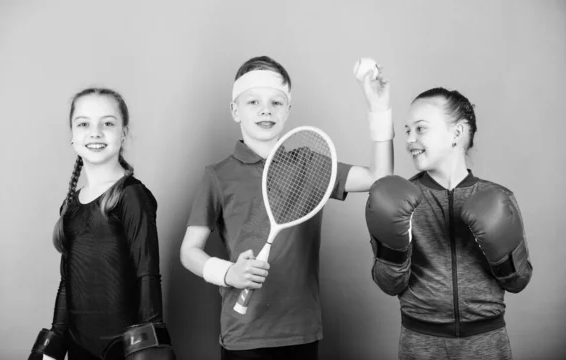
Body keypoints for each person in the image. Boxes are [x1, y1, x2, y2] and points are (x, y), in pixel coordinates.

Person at [180, 56, 394, 359]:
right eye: (253, 101)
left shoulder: (309, 163)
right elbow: (189, 252)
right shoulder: (218, 175)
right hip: (243, 334)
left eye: (276, 103)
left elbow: (380, 179)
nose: (265, 110)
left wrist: (380, 109)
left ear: (288, 111)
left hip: (300, 330)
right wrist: (229, 273)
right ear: (235, 110)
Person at [366, 87, 533, 359]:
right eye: (407, 130)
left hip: (487, 342)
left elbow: (518, 282)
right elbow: (389, 284)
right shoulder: (396, 198)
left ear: (456, 133)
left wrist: (502, 253)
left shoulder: (499, 198)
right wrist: (392, 250)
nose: (409, 139)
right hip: (420, 343)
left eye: (420, 129)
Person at [28, 88, 174, 360]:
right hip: (79, 346)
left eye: (107, 123)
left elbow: (148, 275)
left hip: (123, 349)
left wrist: (149, 347)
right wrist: (56, 338)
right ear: (72, 135)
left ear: (124, 134)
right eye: (83, 124)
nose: (95, 132)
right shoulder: (70, 204)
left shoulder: (131, 195)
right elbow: (67, 282)